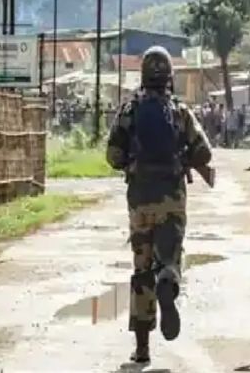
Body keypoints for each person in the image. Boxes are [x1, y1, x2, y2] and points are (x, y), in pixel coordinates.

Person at [105, 45, 212, 364]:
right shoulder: (179, 111)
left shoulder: (129, 110)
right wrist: (185, 159)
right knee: (170, 256)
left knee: (141, 270)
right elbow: (204, 152)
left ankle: (142, 348)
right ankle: (168, 279)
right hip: (171, 198)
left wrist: (132, 161)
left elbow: (112, 156)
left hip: (140, 199)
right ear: (169, 76)